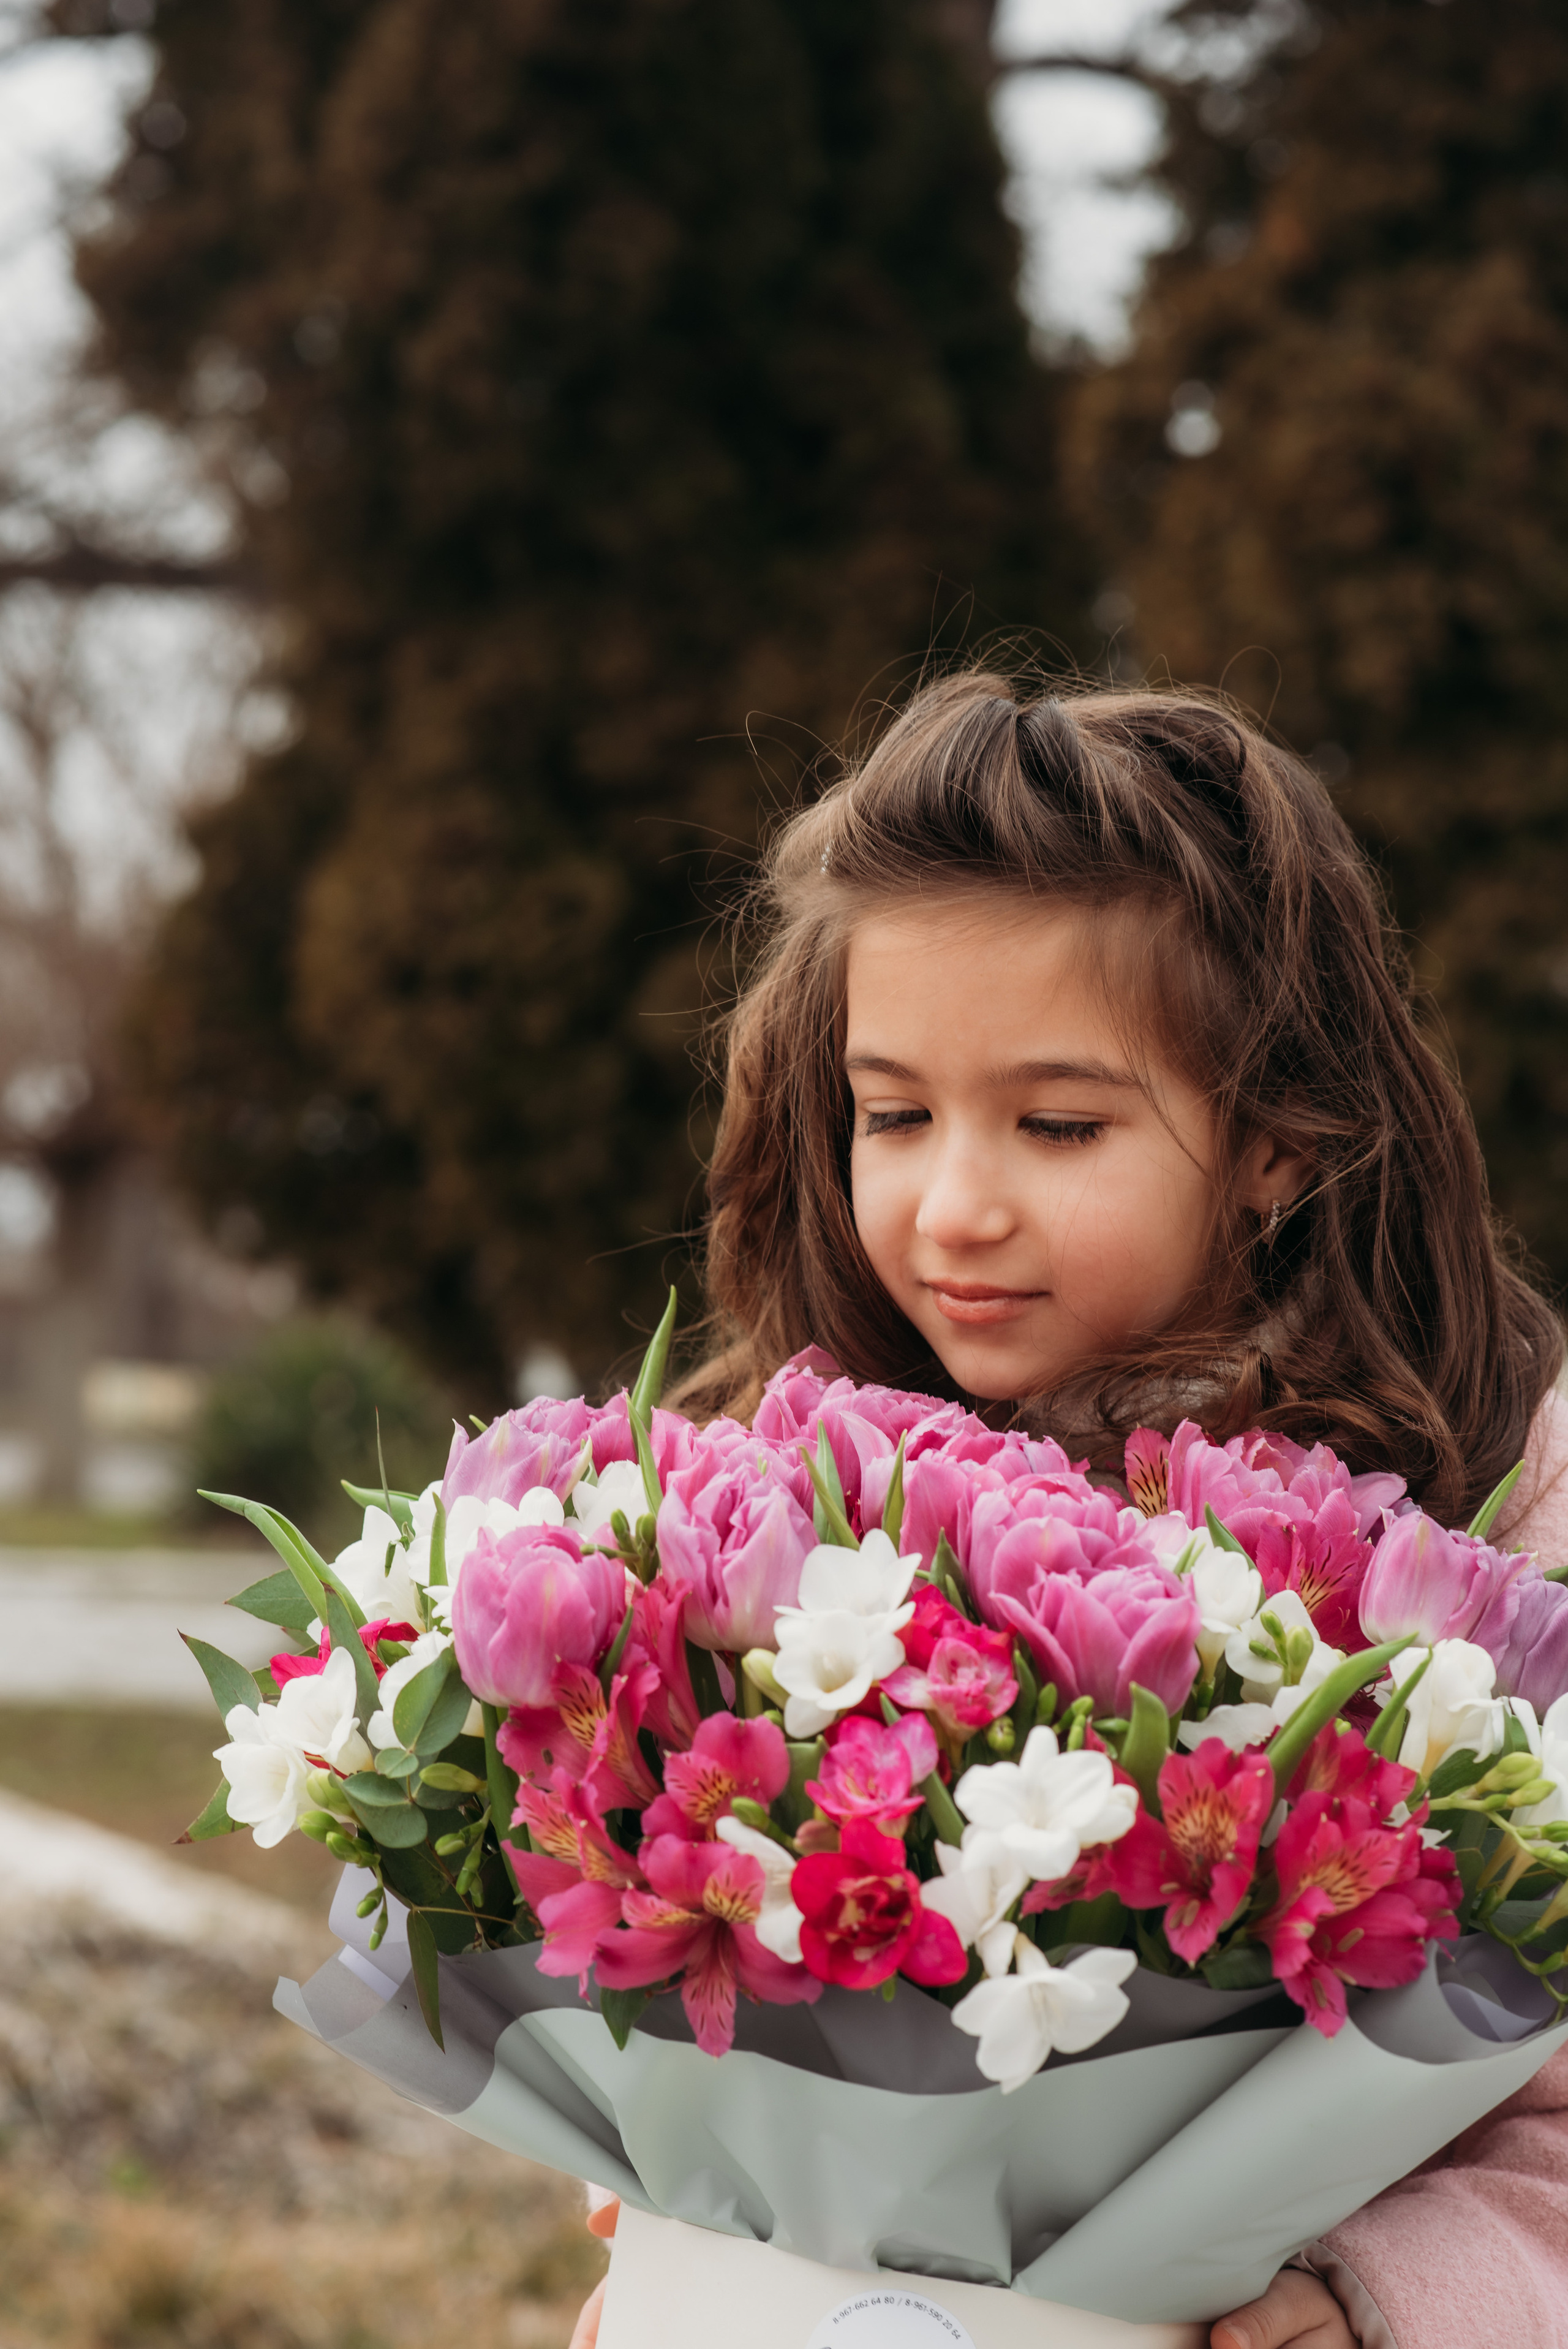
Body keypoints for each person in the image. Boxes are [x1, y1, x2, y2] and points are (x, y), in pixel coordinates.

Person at [569, 674, 1568, 2349]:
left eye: (1058, 1122)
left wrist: (1390, 2294)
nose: (954, 1204)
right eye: (893, 1112)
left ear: (1274, 1138)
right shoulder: (761, 1511)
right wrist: (670, 2226)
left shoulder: (1500, 1520)